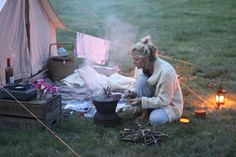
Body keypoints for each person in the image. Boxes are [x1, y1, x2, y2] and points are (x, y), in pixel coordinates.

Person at [126, 36, 184, 126]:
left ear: (146, 59)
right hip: (151, 100)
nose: (134, 62)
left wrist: (142, 101)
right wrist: (131, 91)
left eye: (136, 59)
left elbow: (164, 100)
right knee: (141, 80)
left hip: (169, 105)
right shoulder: (140, 66)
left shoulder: (166, 72)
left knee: (156, 119)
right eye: (133, 59)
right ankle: (144, 113)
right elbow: (136, 82)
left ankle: (151, 112)